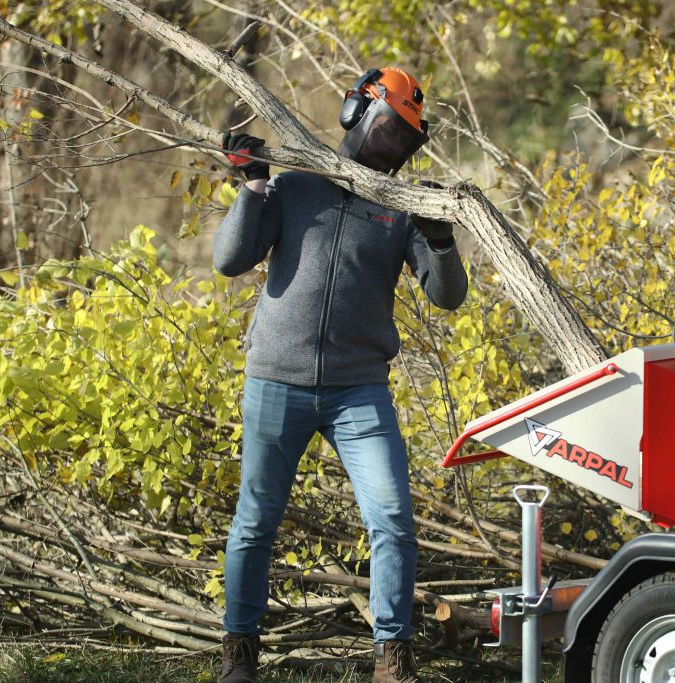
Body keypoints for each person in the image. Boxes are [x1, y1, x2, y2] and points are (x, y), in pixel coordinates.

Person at [213, 66, 467, 683]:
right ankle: (239, 653)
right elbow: (229, 259)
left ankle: (392, 656)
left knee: (392, 519)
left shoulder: (399, 207)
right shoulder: (297, 185)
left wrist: (440, 240)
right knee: (255, 521)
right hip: (277, 380)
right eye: (385, 129)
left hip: (359, 391)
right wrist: (253, 185)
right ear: (355, 113)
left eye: (402, 138)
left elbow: (447, 296)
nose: (390, 145)